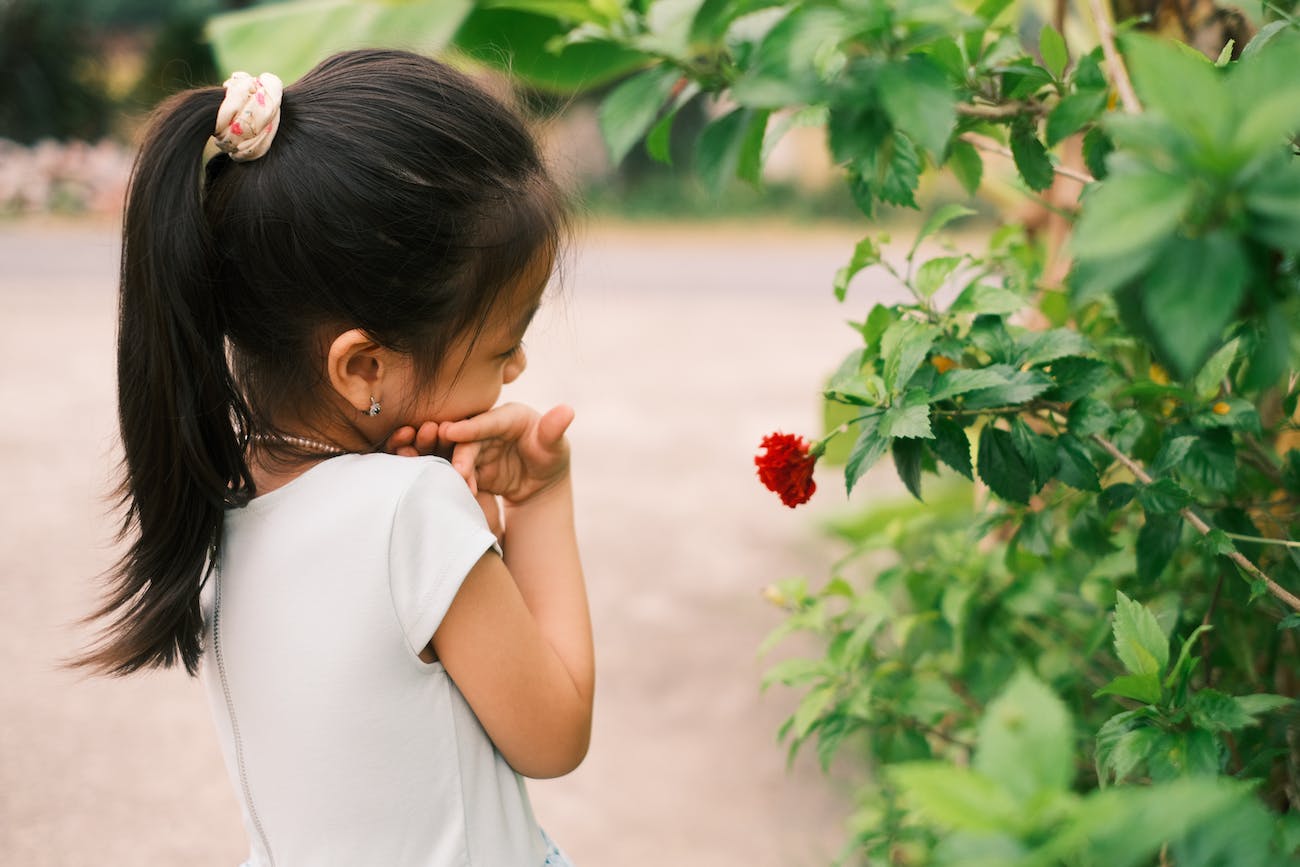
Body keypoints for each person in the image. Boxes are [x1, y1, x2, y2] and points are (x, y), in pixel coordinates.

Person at [75, 49, 592, 866]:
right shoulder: (412, 509)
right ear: (362, 369)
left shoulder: (217, 494)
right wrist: (542, 499)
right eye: (502, 347)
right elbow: (554, 733)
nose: (517, 371)